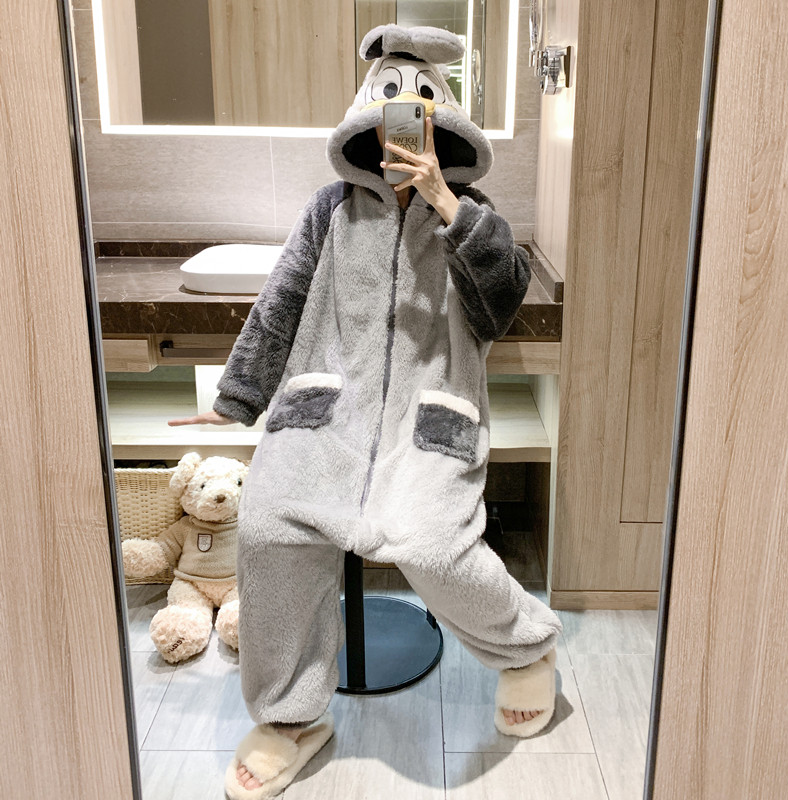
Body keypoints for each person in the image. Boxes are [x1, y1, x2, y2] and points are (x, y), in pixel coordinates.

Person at [169, 24, 563, 800]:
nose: (400, 133)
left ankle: (527, 649)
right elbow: (281, 301)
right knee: (270, 526)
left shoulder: (471, 211)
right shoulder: (329, 211)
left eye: (418, 115)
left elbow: (503, 301)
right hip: (328, 412)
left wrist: (449, 206)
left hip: (428, 418)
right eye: (386, 115)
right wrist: (238, 397)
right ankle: (290, 721)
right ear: (363, 126)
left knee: (431, 542)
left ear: (444, 127)